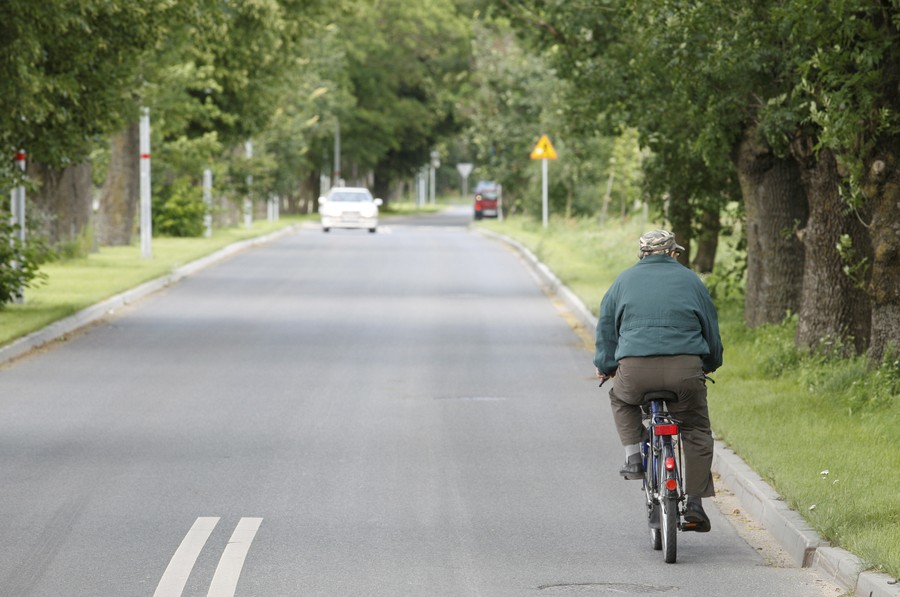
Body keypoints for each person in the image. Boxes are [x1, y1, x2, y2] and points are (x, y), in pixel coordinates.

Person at [594, 229, 723, 532]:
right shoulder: (692, 281)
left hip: (635, 372)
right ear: (673, 253)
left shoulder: (623, 281)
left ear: (642, 254)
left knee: (620, 398)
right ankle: (694, 503)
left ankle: (634, 458)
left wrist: (606, 366)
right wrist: (710, 364)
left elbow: (607, 329)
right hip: (685, 371)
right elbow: (710, 328)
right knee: (695, 428)